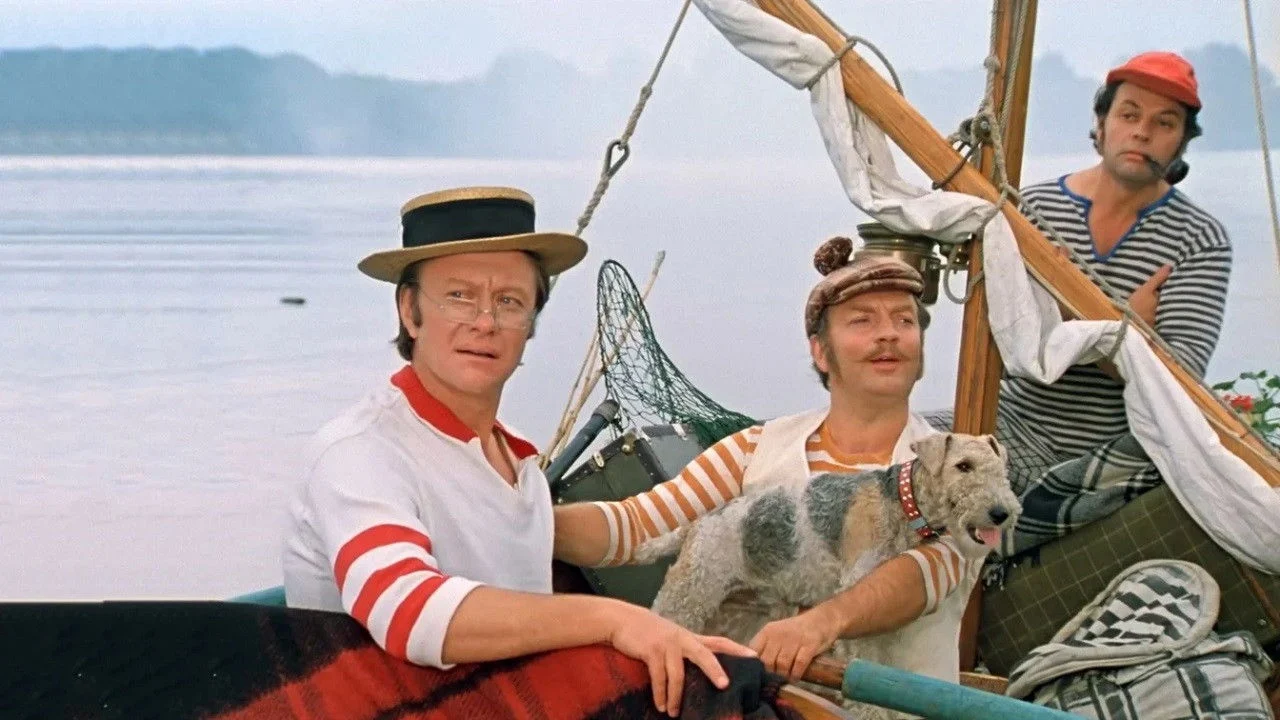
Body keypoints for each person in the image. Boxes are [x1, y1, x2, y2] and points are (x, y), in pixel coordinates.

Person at [282, 186, 753, 718]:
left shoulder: (516, 459)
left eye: (509, 301)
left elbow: (575, 531)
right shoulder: (360, 452)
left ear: (530, 324)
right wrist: (617, 620)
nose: (485, 322)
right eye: (458, 296)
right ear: (409, 312)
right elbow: (409, 612)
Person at [554, 238, 988, 683]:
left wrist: (824, 622)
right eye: (862, 320)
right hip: (756, 705)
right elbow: (639, 527)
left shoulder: (960, 470)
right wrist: (533, 522)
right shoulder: (754, 450)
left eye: (904, 320)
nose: (889, 334)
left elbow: (926, 574)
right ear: (820, 351)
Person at [993, 51, 1233, 555]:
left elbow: (1179, 381)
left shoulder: (1200, 238)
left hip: (1110, 458)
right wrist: (1125, 333)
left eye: (1164, 123)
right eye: (1129, 114)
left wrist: (1069, 316)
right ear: (1101, 124)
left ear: (1181, 142)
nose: (1142, 132)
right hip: (1009, 424)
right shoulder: (1032, 210)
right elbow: (1000, 338)